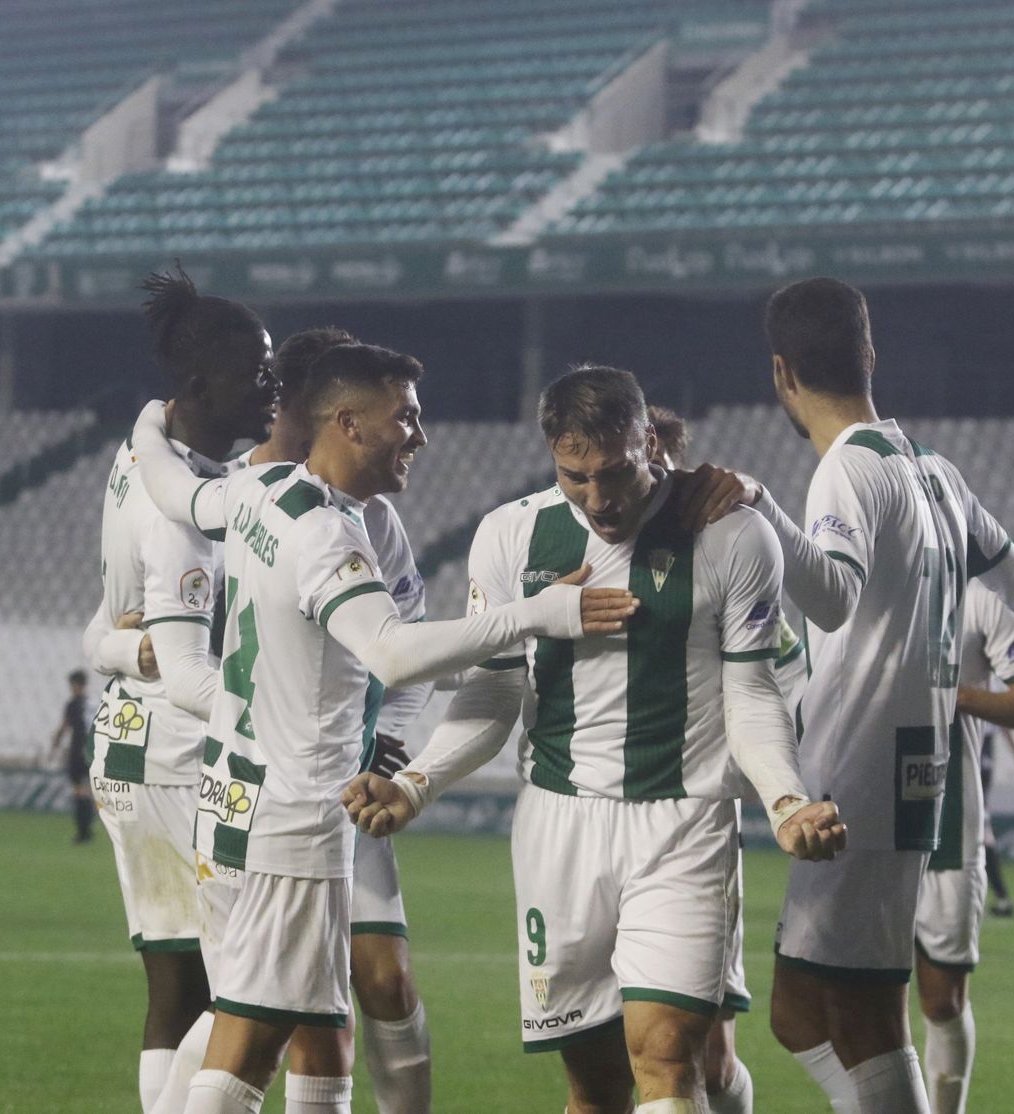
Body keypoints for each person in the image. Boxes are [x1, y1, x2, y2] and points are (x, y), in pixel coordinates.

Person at [128, 344, 639, 1114]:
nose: (420, 434)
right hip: (297, 816)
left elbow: (173, 491)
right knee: (250, 1046)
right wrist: (541, 613)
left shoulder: (259, 490)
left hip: (236, 801)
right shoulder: (324, 535)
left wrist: (148, 422)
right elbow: (394, 653)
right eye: (405, 416)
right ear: (348, 424)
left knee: (315, 1028)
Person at [342, 366, 846, 1114]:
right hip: (560, 828)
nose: (599, 499)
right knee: (597, 1088)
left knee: (669, 1059)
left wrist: (784, 800)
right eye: (576, 477)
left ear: (649, 441)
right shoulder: (512, 536)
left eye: (615, 473)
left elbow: (751, 692)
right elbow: (493, 689)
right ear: (552, 453)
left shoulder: (734, 535)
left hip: (684, 820)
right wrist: (417, 782)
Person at [677, 277, 1014, 1113]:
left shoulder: (847, 471)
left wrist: (763, 506)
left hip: (861, 770)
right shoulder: (935, 471)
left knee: (867, 1016)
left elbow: (832, 594)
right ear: (869, 355)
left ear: (781, 373)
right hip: (911, 766)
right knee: (802, 1012)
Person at [142, 327, 440, 1114]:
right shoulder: (270, 502)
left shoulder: (350, 513)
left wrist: (387, 742)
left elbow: (403, 634)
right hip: (273, 785)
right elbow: (182, 665)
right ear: (325, 414)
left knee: (334, 993)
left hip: (327, 773)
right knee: (262, 1007)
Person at [81, 264, 279, 1114]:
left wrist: (127, 654)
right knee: (252, 983)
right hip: (174, 752)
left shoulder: (145, 454)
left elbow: (100, 629)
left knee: (178, 985)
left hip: (130, 739)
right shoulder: (181, 504)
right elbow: (185, 665)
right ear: (202, 383)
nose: (270, 385)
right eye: (256, 370)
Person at [647, 402, 760, 1114]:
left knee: (710, 1060)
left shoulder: (724, 545)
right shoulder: (559, 543)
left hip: (693, 818)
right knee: (618, 1051)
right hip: (586, 823)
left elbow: (764, 676)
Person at [914, 579, 1014, 1114]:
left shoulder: (977, 594)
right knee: (826, 1011)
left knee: (942, 1003)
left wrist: (952, 693)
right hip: (861, 825)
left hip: (949, 828)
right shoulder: (853, 578)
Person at [979, 727, 1014, 918]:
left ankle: (1000, 898)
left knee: (979, 828)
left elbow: (1008, 727)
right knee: (980, 829)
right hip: (980, 749)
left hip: (975, 748)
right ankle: (1001, 898)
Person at [51, 669, 96, 843]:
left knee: (79, 790)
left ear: (76, 685)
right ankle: (88, 828)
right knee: (89, 791)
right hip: (93, 751)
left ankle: (82, 832)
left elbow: (64, 726)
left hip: (78, 751)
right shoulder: (93, 703)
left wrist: (55, 741)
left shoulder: (73, 704)